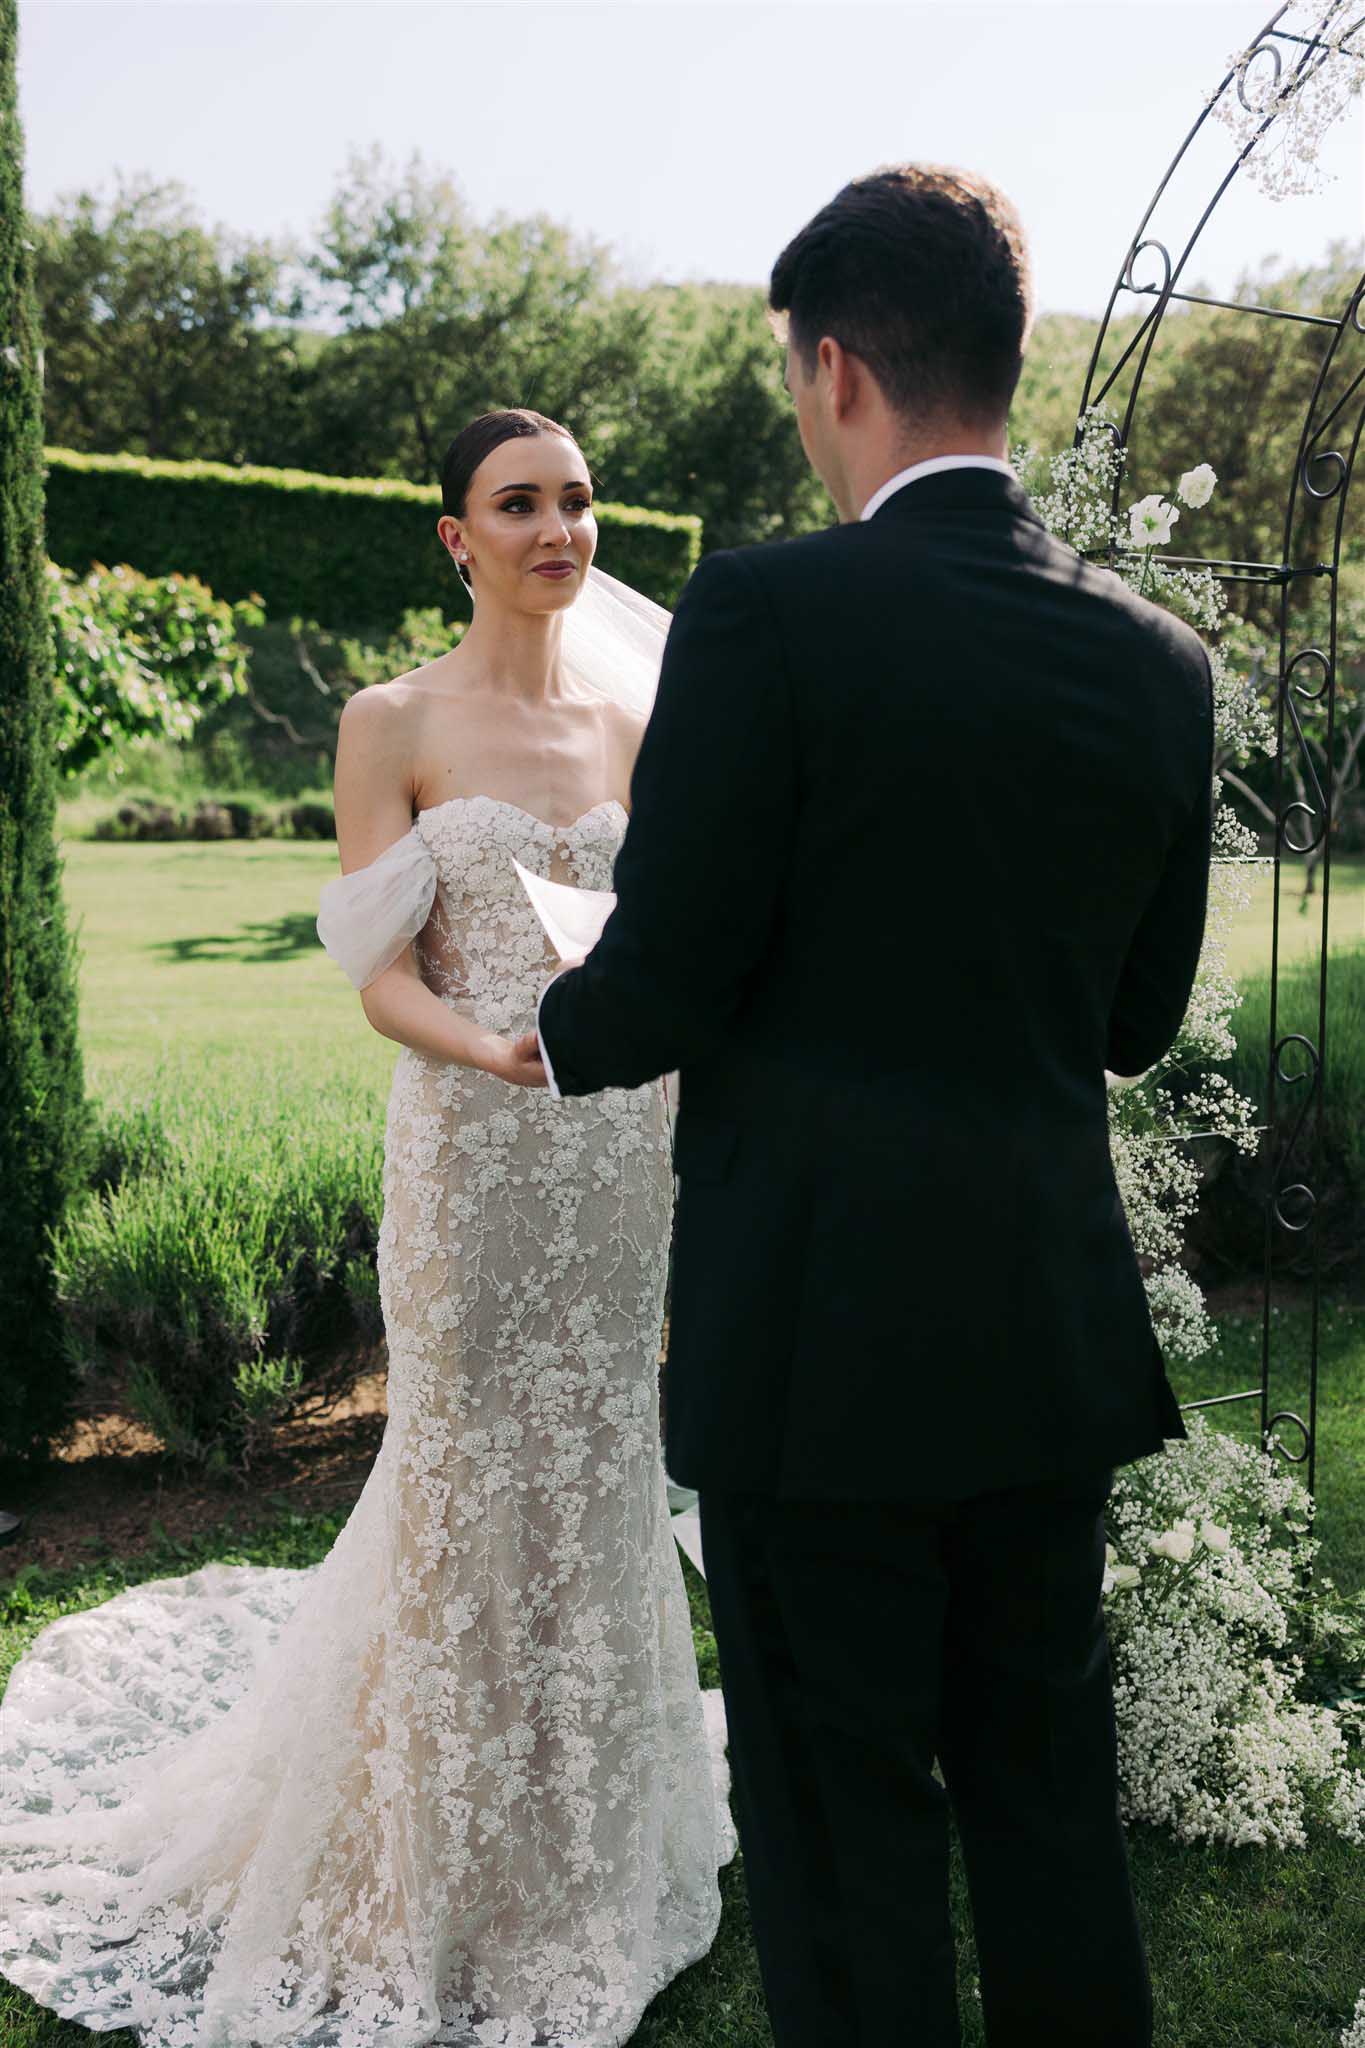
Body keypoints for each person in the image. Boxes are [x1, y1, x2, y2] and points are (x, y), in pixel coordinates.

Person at [525, 165, 1212, 2047]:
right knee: (1044, 1795)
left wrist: (549, 1031)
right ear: (1003, 361)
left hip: (811, 1331)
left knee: (841, 1826)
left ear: (834, 370)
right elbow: (1137, 1020)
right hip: (1038, 1328)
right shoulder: (1161, 663)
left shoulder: (763, 615)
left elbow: (659, 978)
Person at [0, 407, 734, 2048]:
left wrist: (626, 1027)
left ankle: (588, 1823)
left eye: (579, 501)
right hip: (475, 1145)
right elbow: (380, 975)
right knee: (470, 1452)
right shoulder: (389, 717)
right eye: (520, 504)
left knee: (602, 1446)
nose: (560, 529)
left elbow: (664, 933)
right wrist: (489, 1046)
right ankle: (426, 1842)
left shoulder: (634, 723)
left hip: (617, 1149)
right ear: (453, 537)